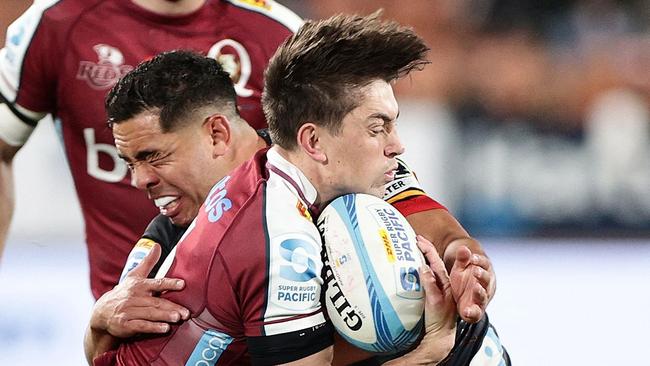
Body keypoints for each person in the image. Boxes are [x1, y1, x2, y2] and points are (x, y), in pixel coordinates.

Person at [87, 13, 510, 365]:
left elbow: (432, 223)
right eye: (379, 126)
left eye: (153, 156)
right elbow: (109, 353)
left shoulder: (327, 166)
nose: (139, 180)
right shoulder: (263, 229)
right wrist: (431, 350)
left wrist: (463, 258)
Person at [0, 0, 303, 299]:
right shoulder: (57, 21)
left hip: (258, 301)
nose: (140, 180)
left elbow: (322, 165)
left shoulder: (278, 34)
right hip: (123, 314)